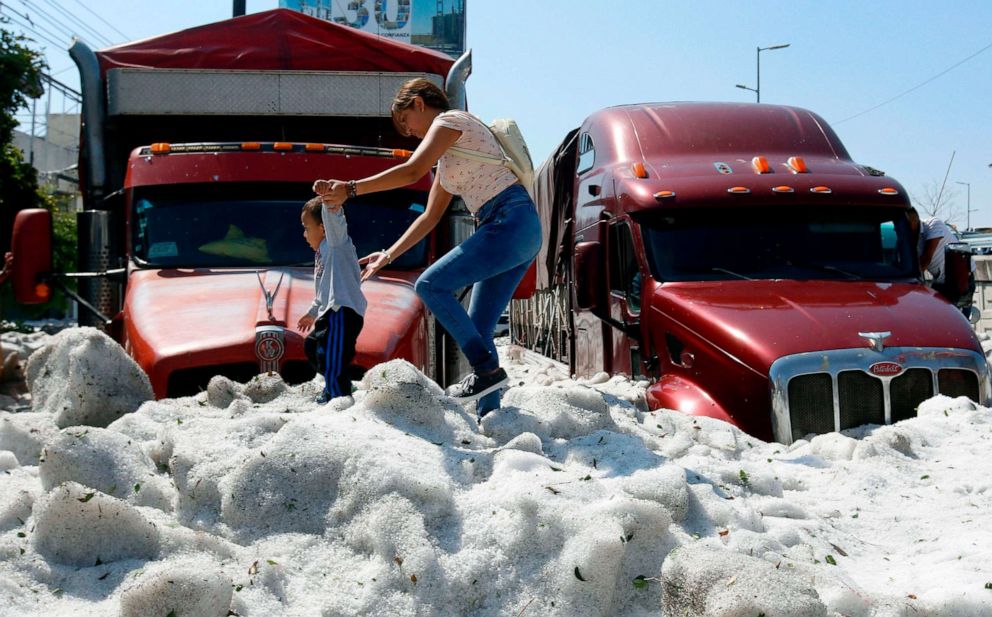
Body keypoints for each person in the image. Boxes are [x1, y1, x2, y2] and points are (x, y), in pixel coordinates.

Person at [313, 78, 541, 417]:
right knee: (478, 329)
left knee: (430, 285)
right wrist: (389, 254)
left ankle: (488, 372)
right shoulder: (448, 164)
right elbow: (430, 218)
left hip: (509, 220)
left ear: (419, 103)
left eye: (407, 121)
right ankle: (491, 416)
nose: (409, 133)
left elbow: (411, 171)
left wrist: (350, 188)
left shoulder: (450, 121)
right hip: (515, 229)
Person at [297, 198, 366, 405]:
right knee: (312, 346)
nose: (304, 234)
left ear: (323, 228)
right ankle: (340, 383)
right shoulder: (322, 254)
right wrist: (312, 312)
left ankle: (337, 396)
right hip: (328, 311)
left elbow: (335, 222)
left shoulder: (336, 245)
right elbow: (322, 291)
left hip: (342, 311)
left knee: (332, 355)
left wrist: (330, 203)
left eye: (306, 228)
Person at [907, 207, 976, 316]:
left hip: (959, 280)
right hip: (940, 282)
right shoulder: (909, 239)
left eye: (905, 224)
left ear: (913, 219)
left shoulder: (933, 224)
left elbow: (926, 258)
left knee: (957, 321)